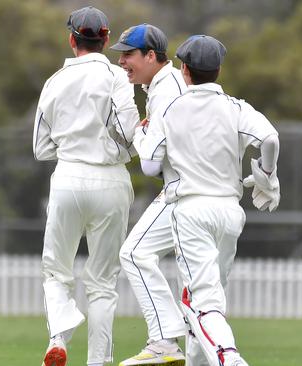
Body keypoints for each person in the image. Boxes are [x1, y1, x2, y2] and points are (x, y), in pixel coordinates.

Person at [135, 35, 280, 366]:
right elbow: (270, 139)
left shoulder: (170, 108)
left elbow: (150, 165)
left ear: (184, 69)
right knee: (208, 298)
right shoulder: (236, 107)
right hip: (230, 213)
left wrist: (143, 137)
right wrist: (267, 175)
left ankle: (229, 358)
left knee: (201, 301)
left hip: (191, 211)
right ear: (217, 69)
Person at [33, 6, 140, 366]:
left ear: (71, 39)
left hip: (68, 177)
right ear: (106, 39)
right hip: (110, 180)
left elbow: (40, 147)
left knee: (56, 272)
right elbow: (128, 135)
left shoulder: (54, 82)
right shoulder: (116, 77)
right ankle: (99, 362)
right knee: (103, 283)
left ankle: (57, 339)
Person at [109, 24, 187, 366]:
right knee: (199, 283)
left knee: (134, 253)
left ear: (152, 56)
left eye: (129, 54)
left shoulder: (166, 90)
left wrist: (140, 136)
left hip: (184, 190)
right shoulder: (164, 85)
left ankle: (163, 341)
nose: (123, 61)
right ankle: (194, 350)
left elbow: (152, 165)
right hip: (205, 192)